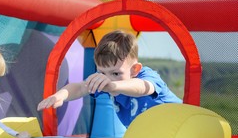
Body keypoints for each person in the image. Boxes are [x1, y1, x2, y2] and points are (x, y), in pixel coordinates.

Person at [37, 30, 182, 128]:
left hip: (181, 124)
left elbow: (143, 87)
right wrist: (60, 95)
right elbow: (81, 87)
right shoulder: (106, 80)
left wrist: (113, 86)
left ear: (134, 70)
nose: (108, 79)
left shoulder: (146, 76)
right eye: (102, 72)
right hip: (154, 134)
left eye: (116, 73)